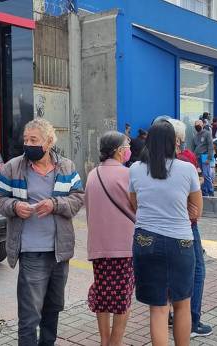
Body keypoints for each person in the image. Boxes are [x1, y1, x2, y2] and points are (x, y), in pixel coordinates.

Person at [0, 118, 85, 346]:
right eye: (26, 139)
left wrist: (56, 204)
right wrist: (14, 207)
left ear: (49, 141)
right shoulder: (13, 167)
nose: (28, 144)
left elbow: (78, 198)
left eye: (34, 140)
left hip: (59, 251)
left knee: (53, 308)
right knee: (29, 314)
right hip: (31, 251)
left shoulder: (67, 167)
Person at [129, 121, 203, 346]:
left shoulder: (135, 169)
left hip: (145, 240)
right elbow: (197, 210)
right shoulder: (187, 169)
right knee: (182, 305)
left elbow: (134, 205)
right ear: (174, 143)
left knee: (158, 309)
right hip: (180, 241)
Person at [85, 131, 136, 346]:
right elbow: (137, 207)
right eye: (126, 144)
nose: (129, 148)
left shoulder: (92, 174)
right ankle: (115, 343)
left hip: (99, 247)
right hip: (124, 246)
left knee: (103, 295)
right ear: (117, 150)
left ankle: (104, 341)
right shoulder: (128, 175)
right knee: (122, 299)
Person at [168, 118, 213, 337]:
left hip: (159, 228)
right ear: (179, 138)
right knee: (196, 271)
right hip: (187, 225)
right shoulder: (186, 159)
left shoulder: (145, 164)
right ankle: (192, 320)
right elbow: (197, 204)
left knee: (168, 271)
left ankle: (169, 313)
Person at [191, 120, 216, 197]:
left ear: (202, 125)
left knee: (206, 175)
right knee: (200, 176)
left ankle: (210, 192)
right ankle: (204, 192)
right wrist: (193, 158)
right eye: (195, 125)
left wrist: (209, 158)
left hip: (205, 156)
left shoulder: (207, 133)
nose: (197, 126)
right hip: (197, 157)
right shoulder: (195, 136)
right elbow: (193, 148)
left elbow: (210, 146)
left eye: (198, 124)